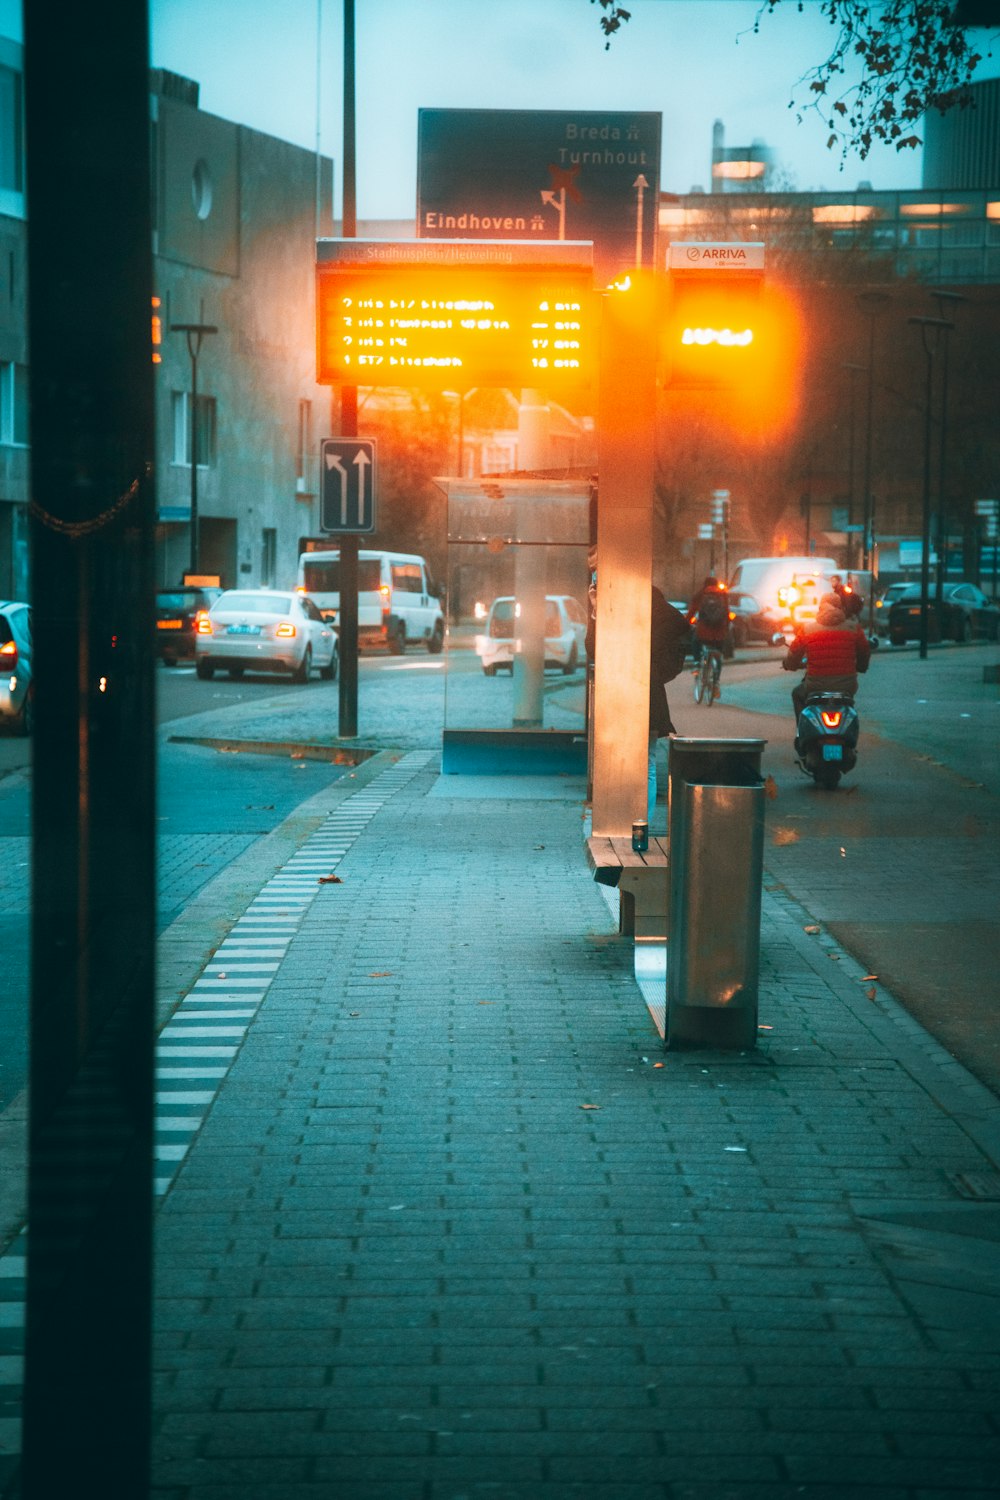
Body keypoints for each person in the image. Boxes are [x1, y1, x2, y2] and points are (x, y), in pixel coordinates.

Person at [586, 567, 688, 824]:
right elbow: (593, 649)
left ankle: (640, 825)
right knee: (622, 761)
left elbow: (675, 626)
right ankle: (622, 820)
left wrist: (639, 654)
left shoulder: (650, 603)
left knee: (646, 762)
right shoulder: (604, 607)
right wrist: (596, 610)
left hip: (645, 692)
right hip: (617, 694)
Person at [782, 590, 871, 720]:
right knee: (849, 705)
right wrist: (861, 667)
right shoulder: (853, 628)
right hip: (846, 686)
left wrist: (790, 665)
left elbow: (794, 653)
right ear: (841, 607)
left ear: (820, 608)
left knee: (797, 694)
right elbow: (864, 651)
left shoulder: (807, 629)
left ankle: (801, 734)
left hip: (815, 686)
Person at [688, 574, 731, 687]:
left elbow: (691, 612)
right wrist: (726, 628)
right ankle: (716, 683)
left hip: (703, 632)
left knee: (695, 641)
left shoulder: (700, 595)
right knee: (717, 656)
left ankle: (697, 663)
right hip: (719, 634)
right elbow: (727, 613)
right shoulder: (723, 595)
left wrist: (685, 623)